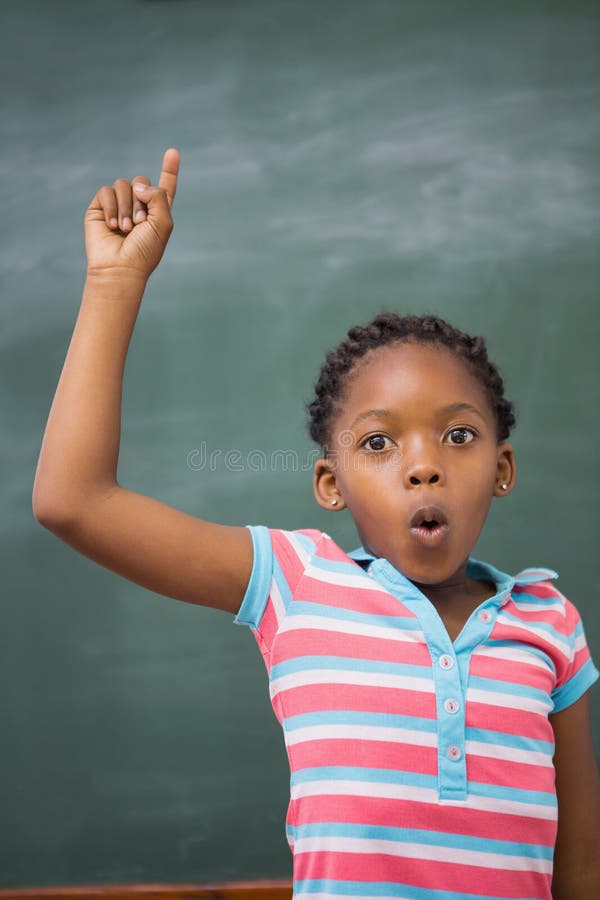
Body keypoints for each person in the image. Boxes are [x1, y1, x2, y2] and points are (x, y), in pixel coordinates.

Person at [32, 149, 600, 900]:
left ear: (502, 467)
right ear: (331, 486)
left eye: (458, 436)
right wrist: (114, 281)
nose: (422, 466)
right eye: (378, 443)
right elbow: (72, 500)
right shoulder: (296, 584)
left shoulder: (549, 622)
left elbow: (581, 865)